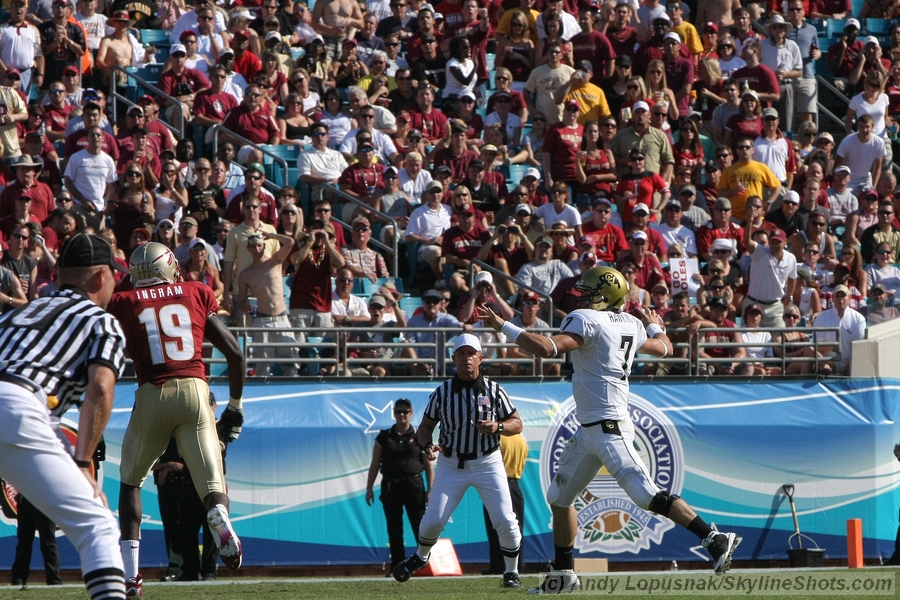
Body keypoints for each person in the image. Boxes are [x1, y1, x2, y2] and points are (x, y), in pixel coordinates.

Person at [479, 266, 739, 593]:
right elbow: (665, 348)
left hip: (609, 426)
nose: (583, 296)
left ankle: (714, 538)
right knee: (559, 497)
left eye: (589, 291)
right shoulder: (629, 322)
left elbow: (546, 349)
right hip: (590, 429)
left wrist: (504, 326)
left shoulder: (589, 320)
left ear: (605, 294)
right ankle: (563, 575)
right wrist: (654, 323)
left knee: (646, 495)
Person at [108, 242, 246, 594]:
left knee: (131, 482)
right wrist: (233, 406)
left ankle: (131, 574)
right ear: (168, 266)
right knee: (213, 487)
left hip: (152, 393)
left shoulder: (125, 302)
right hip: (197, 393)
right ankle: (220, 517)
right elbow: (234, 353)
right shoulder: (196, 292)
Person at [0, 233, 129, 600]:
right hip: (16, 403)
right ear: (101, 277)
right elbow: (100, 390)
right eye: (114, 275)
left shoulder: (19, 312)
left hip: (20, 403)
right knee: (98, 526)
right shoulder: (100, 321)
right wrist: (84, 463)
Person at [392, 334, 524, 590]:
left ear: (480, 358)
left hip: (488, 461)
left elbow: (517, 423)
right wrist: (427, 445)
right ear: (454, 358)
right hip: (452, 463)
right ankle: (420, 557)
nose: (466, 359)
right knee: (431, 522)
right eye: (461, 354)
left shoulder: (495, 389)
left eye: (470, 353)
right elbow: (425, 427)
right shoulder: (442, 392)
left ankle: (511, 572)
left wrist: (497, 426)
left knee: (506, 520)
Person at [365, 398, 434, 571]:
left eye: (405, 411)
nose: (402, 415)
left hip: (413, 484)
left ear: (411, 413)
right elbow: (375, 464)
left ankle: (424, 564)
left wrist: (431, 489)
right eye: (398, 411)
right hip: (390, 486)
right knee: (394, 528)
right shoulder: (384, 437)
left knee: (420, 525)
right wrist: (369, 488)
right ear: (394, 414)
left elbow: (428, 465)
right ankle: (397, 566)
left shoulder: (419, 435)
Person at [234, 232, 299, 377]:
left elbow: (290, 242)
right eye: (253, 246)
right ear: (248, 248)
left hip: (282, 319)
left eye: (259, 245)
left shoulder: (275, 261)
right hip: (261, 321)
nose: (257, 249)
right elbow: (241, 302)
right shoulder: (245, 274)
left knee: (291, 362)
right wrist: (247, 307)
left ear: (264, 246)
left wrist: (272, 235)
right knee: (262, 365)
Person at [812, 284, 867, 375]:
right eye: (837, 296)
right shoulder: (821, 318)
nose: (840, 299)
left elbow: (862, 347)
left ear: (849, 298)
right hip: (828, 363)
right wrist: (831, 347)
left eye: (843, 296)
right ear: (833, 298)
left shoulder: (859, 319)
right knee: (810, 351)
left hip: (852, 363)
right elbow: (816, 348)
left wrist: (851, 364)